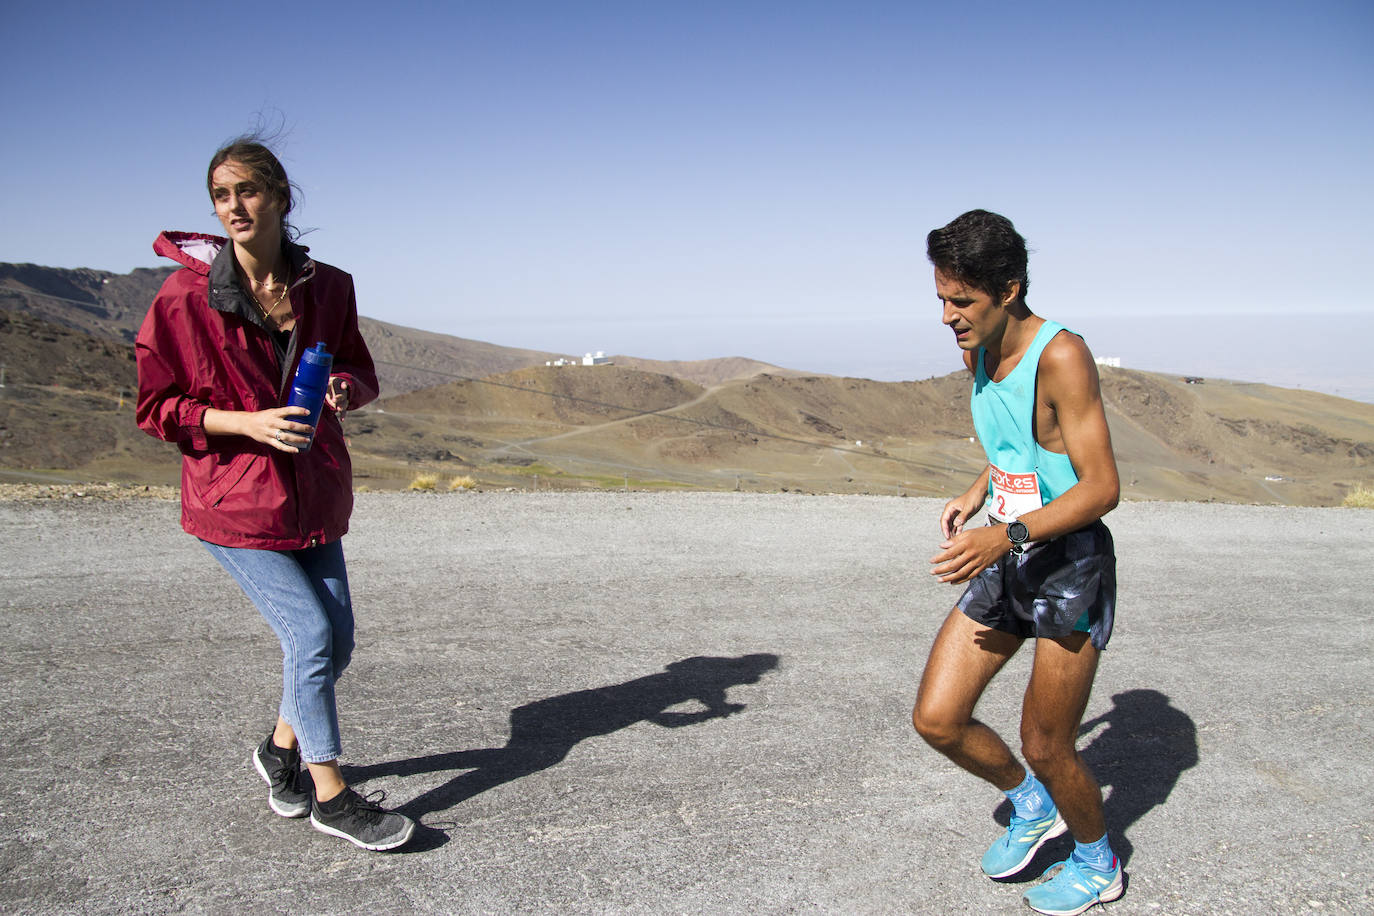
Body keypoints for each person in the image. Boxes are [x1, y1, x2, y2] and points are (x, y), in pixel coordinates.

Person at [135, 136, 415, 852]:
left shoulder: (330, 286)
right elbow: (157, 407)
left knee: (337, 643)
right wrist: (248, 423)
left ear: (281, 197)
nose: (235, 206)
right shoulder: (183, 298)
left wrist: (348, 389)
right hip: (231, 500)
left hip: (313, 491)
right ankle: (331, 794)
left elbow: (357, 367)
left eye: (248, 192)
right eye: (222, 196)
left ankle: (278, 749)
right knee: (311, 635)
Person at [911, 210, 1123, 914]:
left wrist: (1004, 536)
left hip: (1066, 563)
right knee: (938, 719)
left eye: (961, 301)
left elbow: (1101, 488)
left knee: (1046, 741)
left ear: (1010, 289)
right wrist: (977, 494)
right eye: (941, 297)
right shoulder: (977, 348)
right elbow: (1017, 447)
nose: (947, 316)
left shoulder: (1062, 355)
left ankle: (1100, 863)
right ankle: (1032, 807)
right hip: (1009, 546)